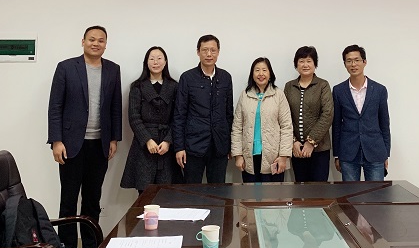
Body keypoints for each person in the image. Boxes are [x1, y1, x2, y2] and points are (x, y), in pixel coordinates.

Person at [47, 25, 122, 248]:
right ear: (83, 41)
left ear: (106, 44)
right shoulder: (66, 67)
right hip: (71, 145)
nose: (96, 43)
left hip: (100, 144)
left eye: (101, 40)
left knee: (92, 200)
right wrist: (56, 140)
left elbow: (115, 107)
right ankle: (68, 247)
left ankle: (91, 247)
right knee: (68, 200)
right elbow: (55, 106)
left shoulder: (113, 69)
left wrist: (114, 139)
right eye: (91, 39)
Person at [120, 46, 182, 195]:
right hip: (143, 147)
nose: (156, 62)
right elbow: (134, 117)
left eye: (159, 58)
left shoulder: (174, 86)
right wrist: (147, 140)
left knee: (167, 194)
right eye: (152, 59)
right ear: (146, 62)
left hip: (166, 147)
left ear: (165, 62)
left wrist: (168, 141)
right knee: (144, 194)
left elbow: (178, 117)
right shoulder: (137, 87)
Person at [172, 34, 233, 184]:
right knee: (191, 191)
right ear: (198, 52)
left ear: (218, 52)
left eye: (213, 50)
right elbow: (179, 115)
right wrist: (179, 147)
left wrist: (230, 145)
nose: (209, 54)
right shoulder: (187, 78)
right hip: (193, 145)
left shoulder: (225, 77)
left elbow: (229, 114)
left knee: (218, 191)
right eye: (205, 50)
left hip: (219, 146)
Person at [332, 44, 390, 182]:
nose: (353, 64)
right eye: (349, 61)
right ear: (345, 64)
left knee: (376, 193)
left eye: (357, 60)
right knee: (351, 194)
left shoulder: (379, 90)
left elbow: (384, 123)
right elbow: (336, 125)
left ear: (364, 62)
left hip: (375, 151)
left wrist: (386, 153)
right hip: (348, 152)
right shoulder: (338, 90)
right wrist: (337, 155)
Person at [231, 57, 293, 183]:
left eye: (264, 70)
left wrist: (283, 156)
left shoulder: (278, 95)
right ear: (252, 74)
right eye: (257, 70)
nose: (261, 74)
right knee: (250, 193)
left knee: (273, 194)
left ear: (270, 74)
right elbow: (237, 127)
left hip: (274, 157)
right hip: (249, 156)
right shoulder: (245, 95)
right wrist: (238, 155)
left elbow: (287, 126)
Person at [283, 46, 333, 182]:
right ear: (296, 64)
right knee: (300, 189)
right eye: (301, 61)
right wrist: (293, 141)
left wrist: (311, 142)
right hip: (297, 150)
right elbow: (284, 116)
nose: (305, 65)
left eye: (309, 61)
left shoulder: (323, 85)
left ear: (315, 64)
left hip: (320, 149)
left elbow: (327, 114)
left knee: (319, 190)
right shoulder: (289, 86)